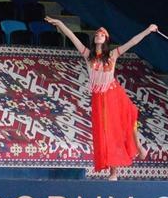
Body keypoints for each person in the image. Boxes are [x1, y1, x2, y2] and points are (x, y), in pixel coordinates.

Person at [46, 17, 157, 180]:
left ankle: (137, 147)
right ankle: (113, 170)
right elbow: (71, 37)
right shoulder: (88, 55)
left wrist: (148, 30)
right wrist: (61, 24)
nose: (99, 35)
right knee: (106, 133)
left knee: (130, 114)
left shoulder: (112, 55)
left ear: (106, 40)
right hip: (99, 98)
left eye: (102, 34)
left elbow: (132, 42)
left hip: (113, 93)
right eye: (97, 33)